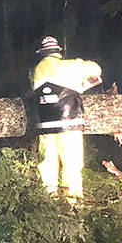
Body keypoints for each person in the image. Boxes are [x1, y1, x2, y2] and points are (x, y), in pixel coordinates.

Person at [31, 35, 102, 202]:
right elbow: (96, 69)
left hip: (46, 123)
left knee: (47, 162)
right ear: (58, 52)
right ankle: (73, 202)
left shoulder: (36, 70)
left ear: (42, 53)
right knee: (71, 162)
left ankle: (49, 200)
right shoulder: (70, 66)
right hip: (70, 122)